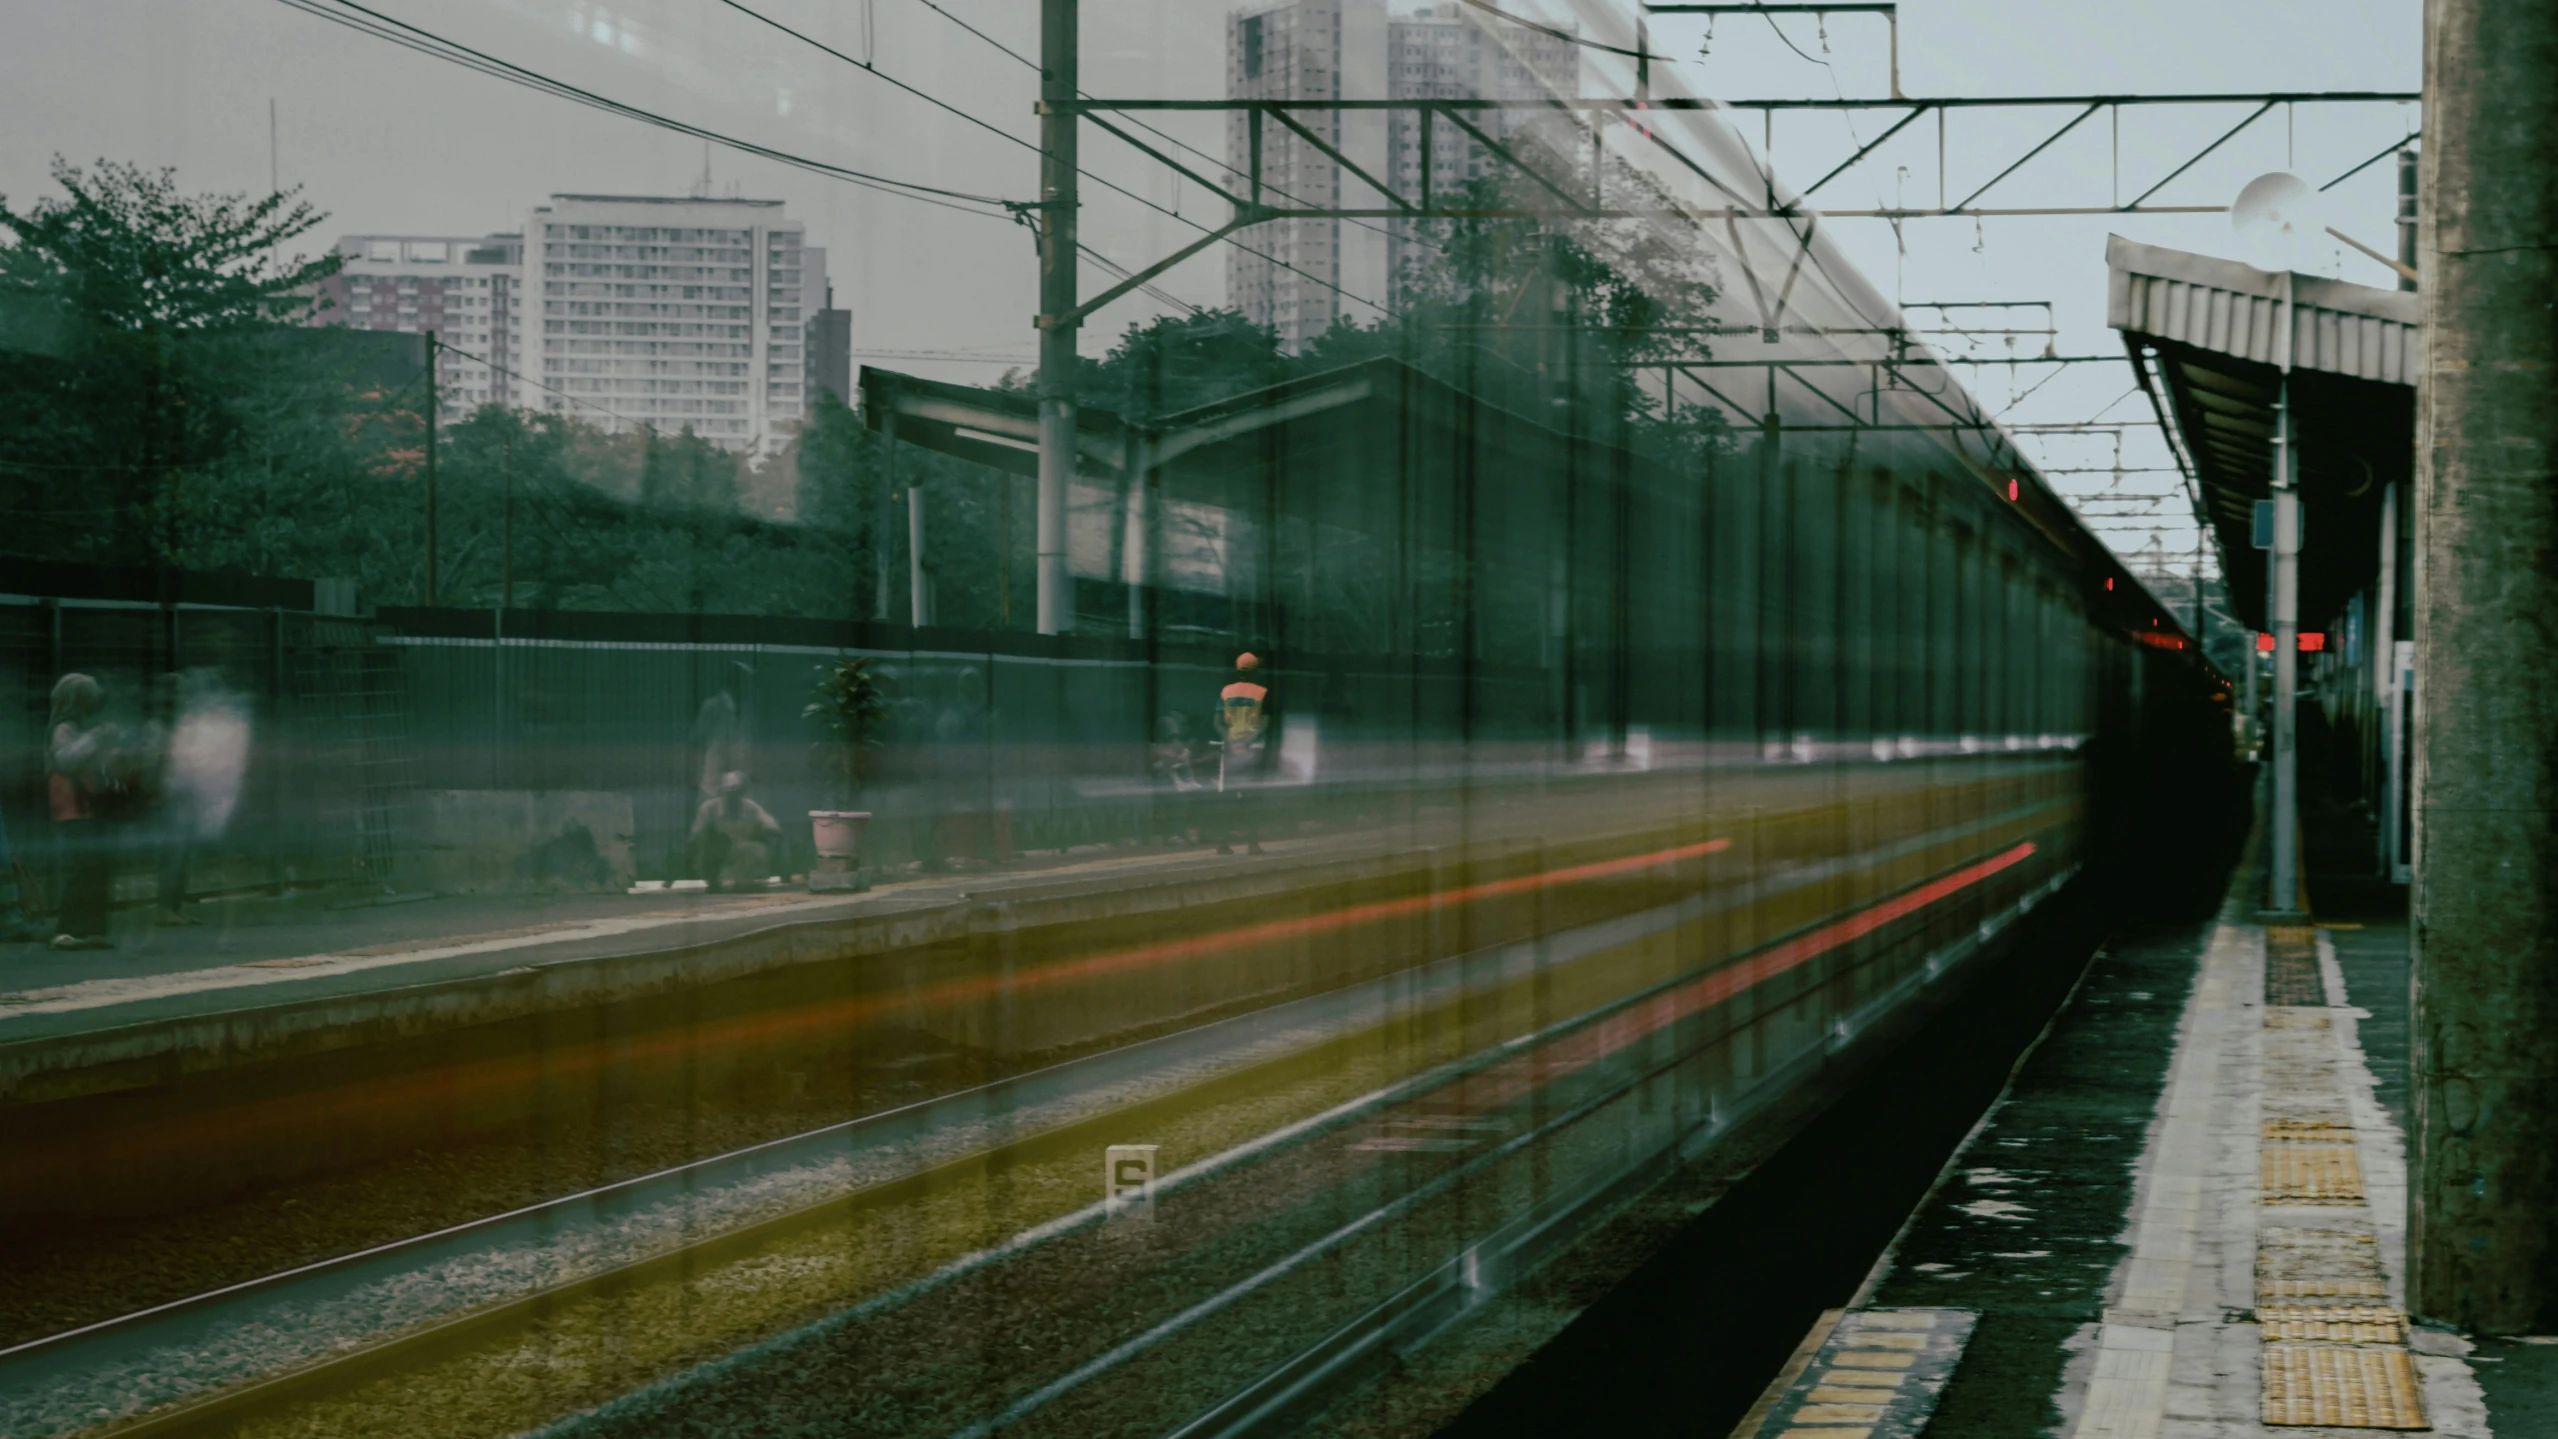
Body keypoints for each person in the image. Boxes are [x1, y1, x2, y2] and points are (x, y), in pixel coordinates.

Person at [46, 673, 116, 950]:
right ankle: (69, 929)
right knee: (78, 870)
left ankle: (93, 928)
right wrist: (97, 738)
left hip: (90, 806)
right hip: (74, 807)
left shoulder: (82, 727)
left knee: (96, 869)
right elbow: (66, 759)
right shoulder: (63, 728)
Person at [1213, 653, 1271, 855]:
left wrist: (1231, 741)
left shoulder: (1226, 692)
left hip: (1230, 751)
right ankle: (1252, 844)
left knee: (1228, 798)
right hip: (1252, 750)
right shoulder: (1262, 692)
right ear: (1256, 671)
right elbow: (1265, 724)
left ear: (1238, 670)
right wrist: (1247, 741)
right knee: (1252, 799)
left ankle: (1222, 843)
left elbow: (1217, 722)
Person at [688, 770, 783, 893]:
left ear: (742, 793)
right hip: (716, 855)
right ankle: (714, 880)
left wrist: (766, 838)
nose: (732, 797)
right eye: (728, 793)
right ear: (722, 792)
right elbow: (695, 836)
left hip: (743, 855)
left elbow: (772, 828)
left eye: (736, 793)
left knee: (755, 848)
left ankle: (749, 880)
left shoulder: (750, 807)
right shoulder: (709, 808)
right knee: (719, 842)